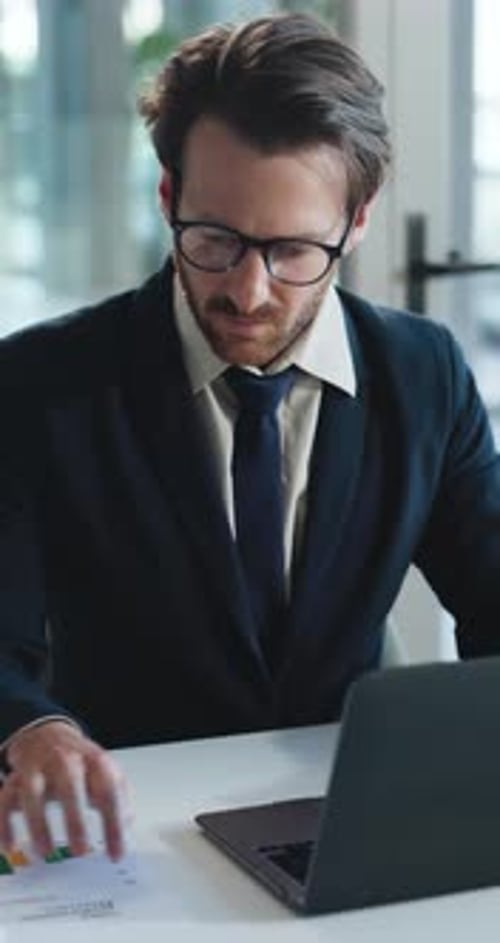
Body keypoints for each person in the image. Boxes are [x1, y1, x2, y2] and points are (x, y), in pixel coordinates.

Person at [1, 12, 500, 862]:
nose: (249, 290)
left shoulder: (425, 375)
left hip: (343, 825)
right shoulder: (39, 384)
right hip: (126, 833)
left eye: (295, 249)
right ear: (167, 196)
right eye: (215, 239)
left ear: (358, 221)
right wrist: (36, 728)